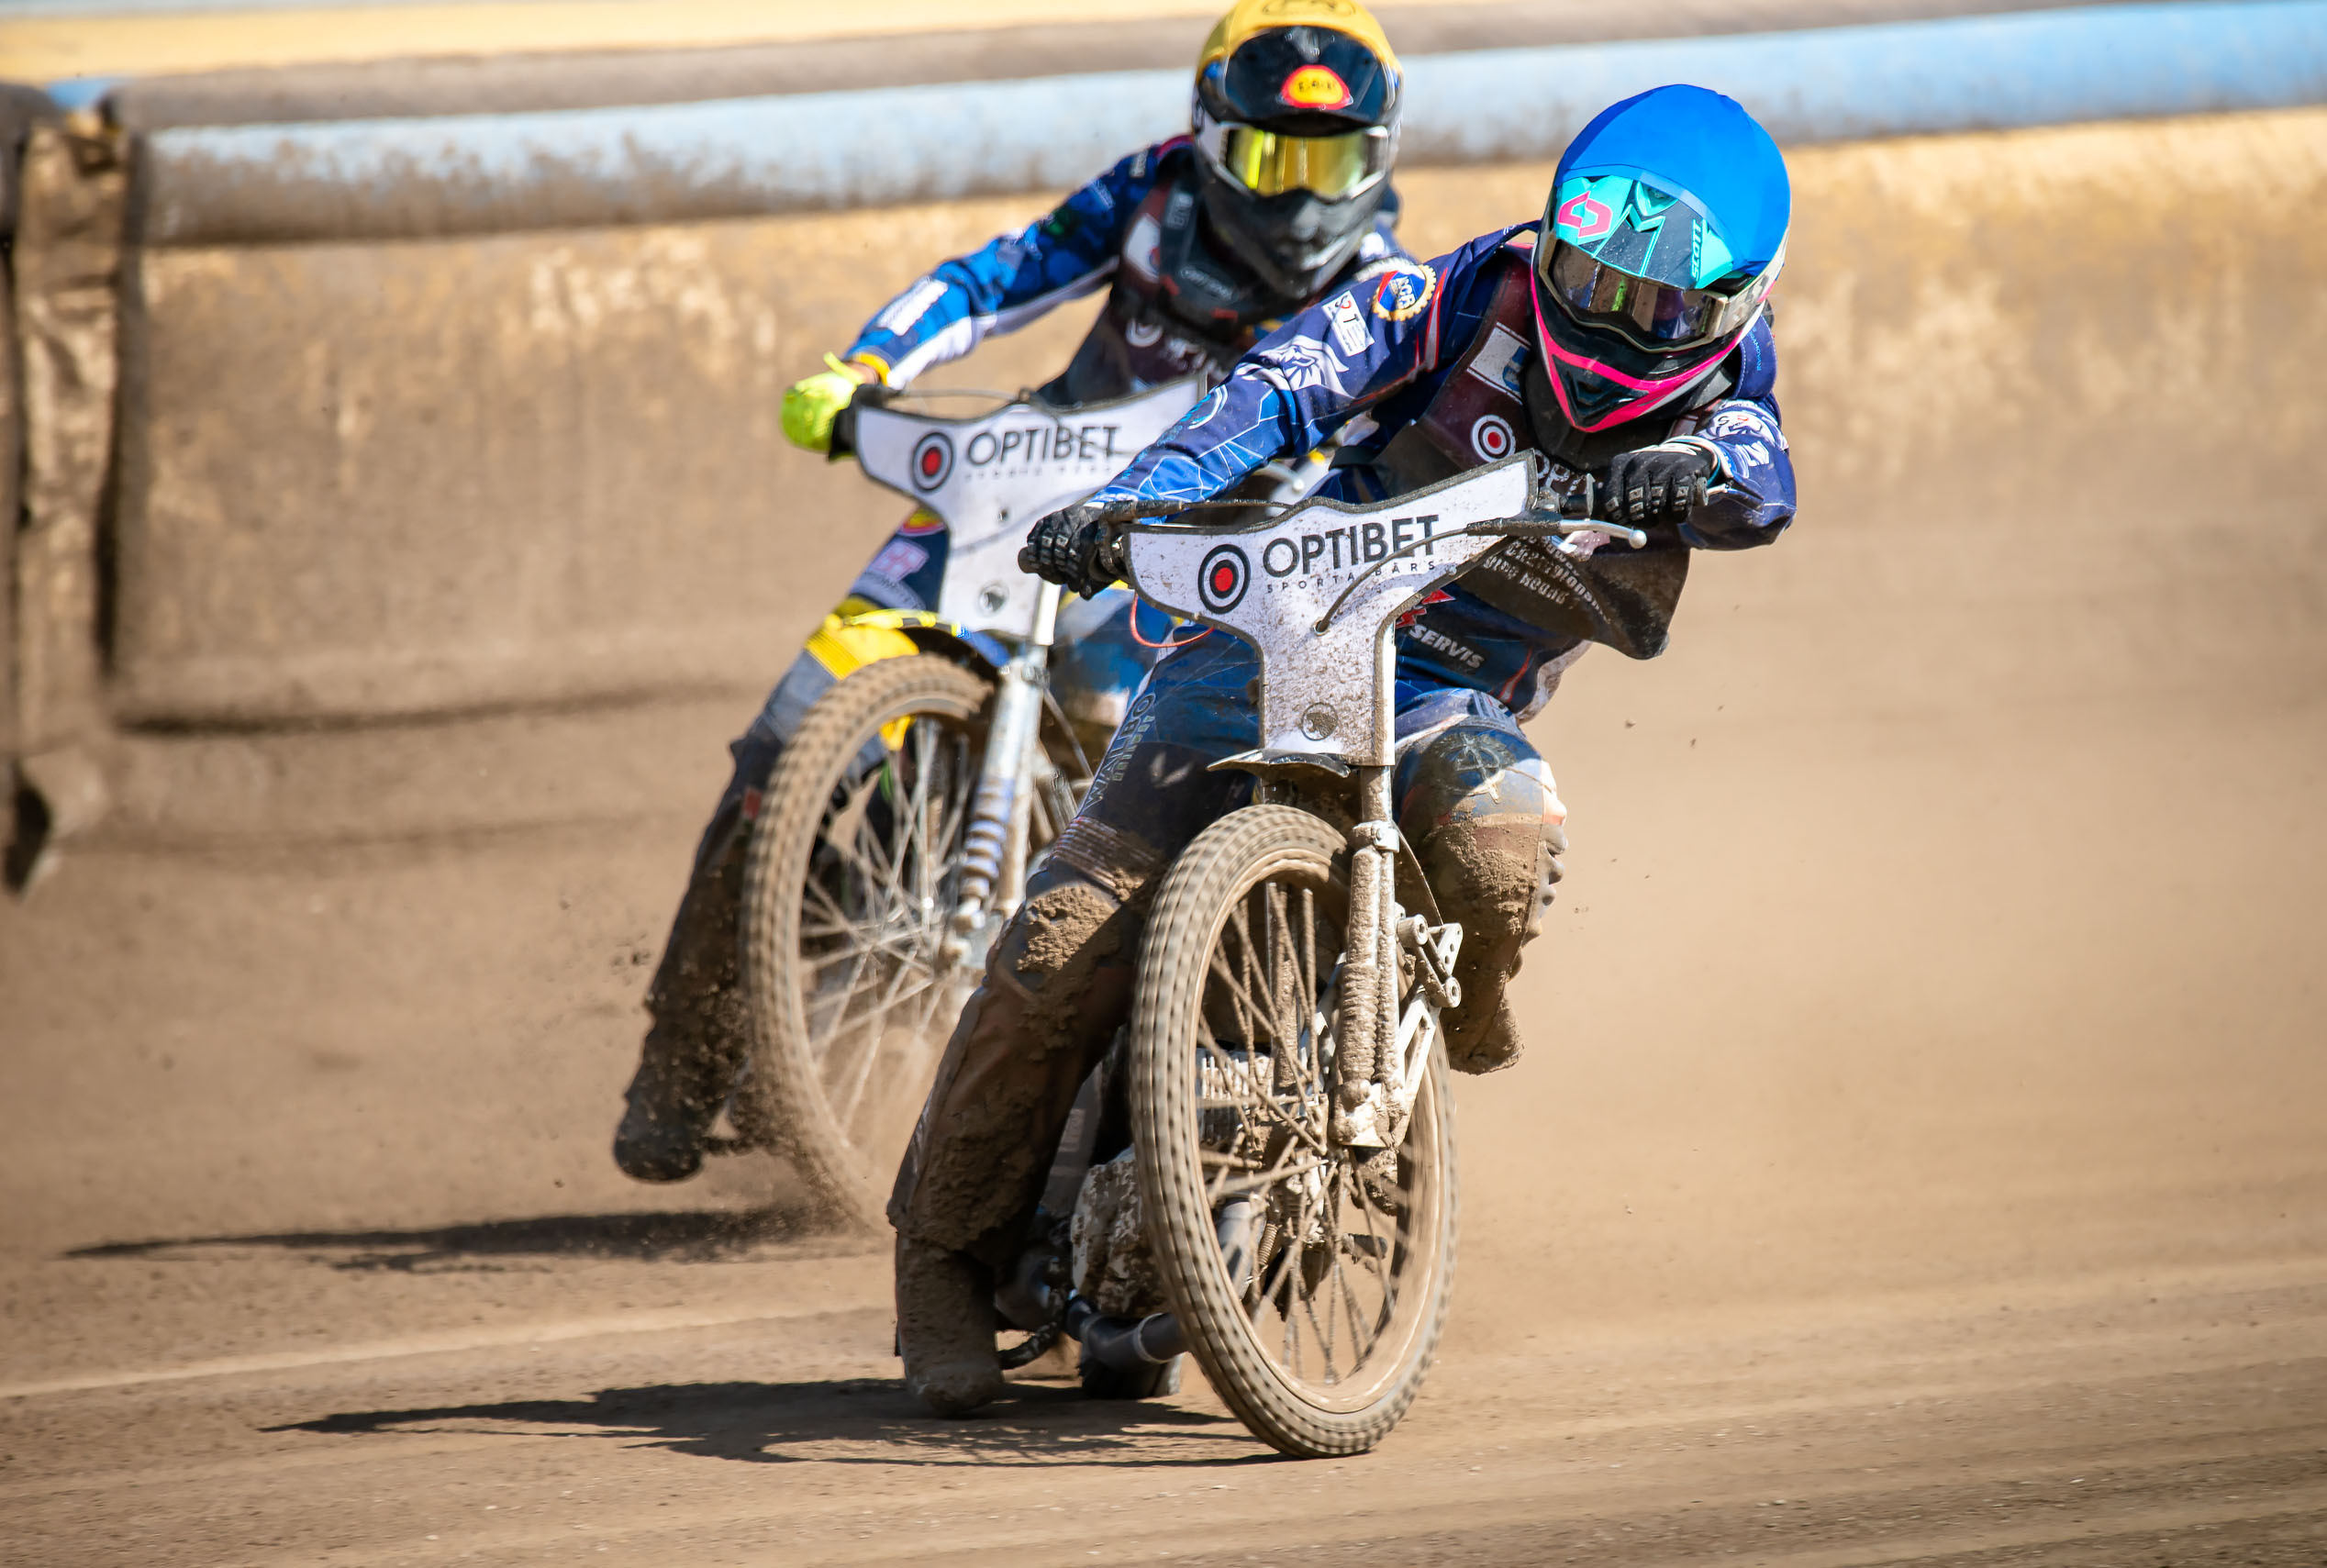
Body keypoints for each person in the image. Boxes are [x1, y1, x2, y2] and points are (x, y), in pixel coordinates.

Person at [890, 83, 1799, 1413]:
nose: (1613, 317)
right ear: (1549, 242)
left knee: (1504, 846)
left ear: (1727, 311)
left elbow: (1759, 473)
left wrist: (1694, 480)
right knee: (1057, 945)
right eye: (1589, 275)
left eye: (1658, 306)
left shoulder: (1731, 390)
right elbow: (1283, 381)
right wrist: (1144, 501)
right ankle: (944, 1268)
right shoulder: (1448, 296)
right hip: (1264, 640)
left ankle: (1454, 998)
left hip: (1437, 694)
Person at [614, 0, 1419, 1185]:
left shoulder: (1395, 292)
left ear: (1381, 157)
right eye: (1266, 157)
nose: (1298, 198)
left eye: (1330, 161)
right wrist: (865, 366)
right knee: (787, 733)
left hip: (1202, 550)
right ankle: (682, 1058)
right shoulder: (1148, 199)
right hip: (1027, 490)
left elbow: (1394, 468)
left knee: (1175, 785)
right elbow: (995, 280)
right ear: (1205, 137)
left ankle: (1176, 1119)